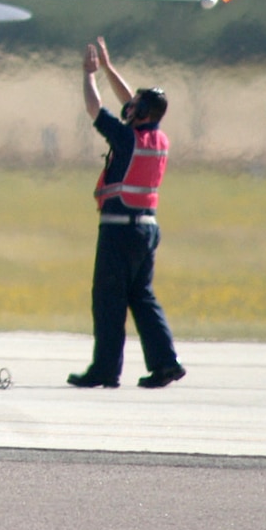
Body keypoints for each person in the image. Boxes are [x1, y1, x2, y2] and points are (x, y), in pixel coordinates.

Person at [69, 38, 186, 389]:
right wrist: (108, 67)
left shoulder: (127, 139)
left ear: (143, 114)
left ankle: (105, 370)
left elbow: (95, 109)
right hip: (146, 229)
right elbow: (127, 102)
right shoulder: (157, 138)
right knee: (142, 297)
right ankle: (166, 363)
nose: (129, 108)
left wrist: (89, 76)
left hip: (119, 231)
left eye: (135, 106)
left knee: (108, 299)